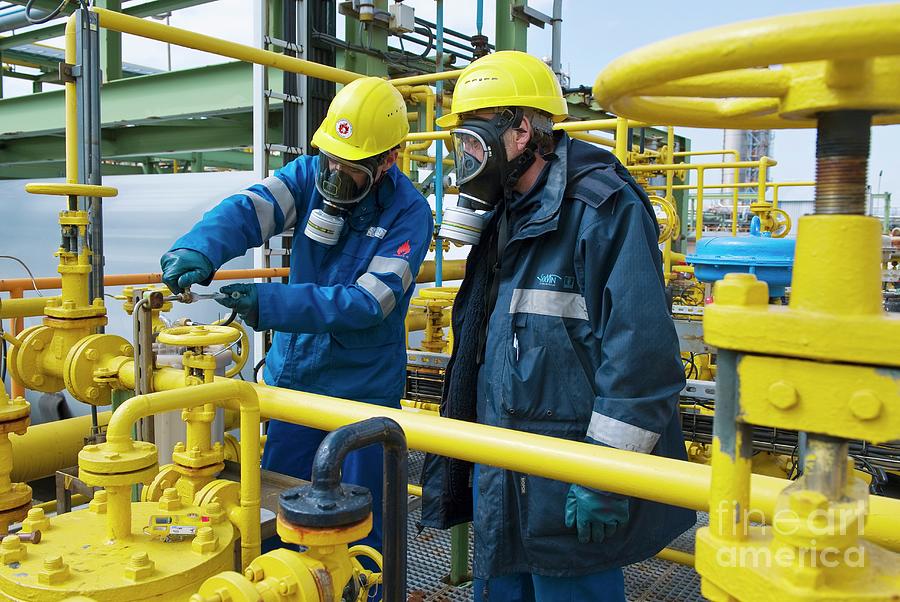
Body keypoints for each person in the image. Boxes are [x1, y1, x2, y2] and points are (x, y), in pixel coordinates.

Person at [422, 51, 695, 601]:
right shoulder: (505, 214)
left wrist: (605, 471)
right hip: (502, 472)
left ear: (522, 130)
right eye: (461, 146)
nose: (466, 159)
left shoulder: (603, 209)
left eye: (474, 141)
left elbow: (643, 354)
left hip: (569, 481)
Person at [160, 76, 434, 553]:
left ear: (386, 162)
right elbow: (249, 210)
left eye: (347, 169)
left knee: (361, 526)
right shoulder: (307, 175)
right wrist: (199, 248)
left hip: (361, 394)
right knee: (281, 507)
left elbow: (369, 303)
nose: (332, 176)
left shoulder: (409, 214)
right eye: (329, 159)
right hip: (297, 383)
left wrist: (271, 304)